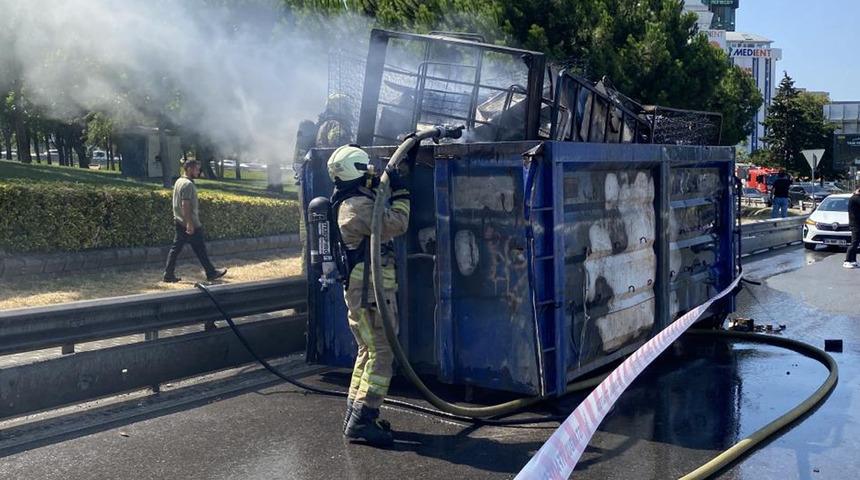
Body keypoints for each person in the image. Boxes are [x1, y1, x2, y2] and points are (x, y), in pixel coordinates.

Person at [328, 145, 410, 447]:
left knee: (367, 352)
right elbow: (396, 223)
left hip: (363, 292)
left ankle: (357, 414)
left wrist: (375, 186)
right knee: (382, 353)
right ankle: (364, 418)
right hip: (371, 294)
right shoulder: (357, 208)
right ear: (356, 170)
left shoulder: (350, 201)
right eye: (366, 169)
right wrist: (401, 194)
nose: (371, 173)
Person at [163, 159, 227, 283]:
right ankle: (211, 273)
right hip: (189, 223)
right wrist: (190, 223)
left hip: (180, 221)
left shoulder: (179, 181)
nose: (198, 171)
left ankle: (169, 274)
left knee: (178, 249)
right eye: (197, 169)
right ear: (189, 169)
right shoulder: (188, 184)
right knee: (199, 249)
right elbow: (185, 204)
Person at [844, 187, 860, 268]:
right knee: (854, 243)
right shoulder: (855, 198)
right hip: (855, 224)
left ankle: (853, 260)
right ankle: (847, 260)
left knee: (856, 243)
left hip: (857, 224)